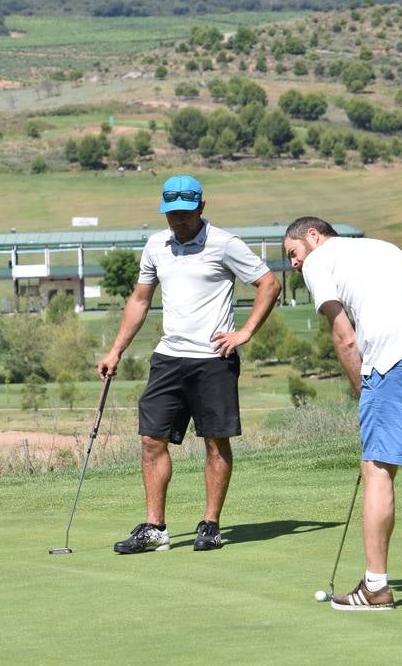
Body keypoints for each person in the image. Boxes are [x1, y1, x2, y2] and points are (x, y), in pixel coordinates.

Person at [282, 217, 402, 610]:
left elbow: (344, 336)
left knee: (377, 468)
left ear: (313, 236)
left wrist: (362, 391)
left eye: (293, 252)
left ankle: (376, 587)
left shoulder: (318, 261)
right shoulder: (381, 246)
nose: (293, 263)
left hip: (399, 356)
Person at [97, 176, 280, 554]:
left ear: (201, 207)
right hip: (168, 357)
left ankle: (210, 524)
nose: (178, 220)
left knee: (215, 441)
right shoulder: (155, 246)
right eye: (172, 214)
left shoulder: (224, 243)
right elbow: (140, 300)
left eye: (185, 212)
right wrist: (115, 350)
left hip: (214, 359)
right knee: (151, 440)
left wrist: (245, 332)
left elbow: (269, 284)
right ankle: (155, 528)